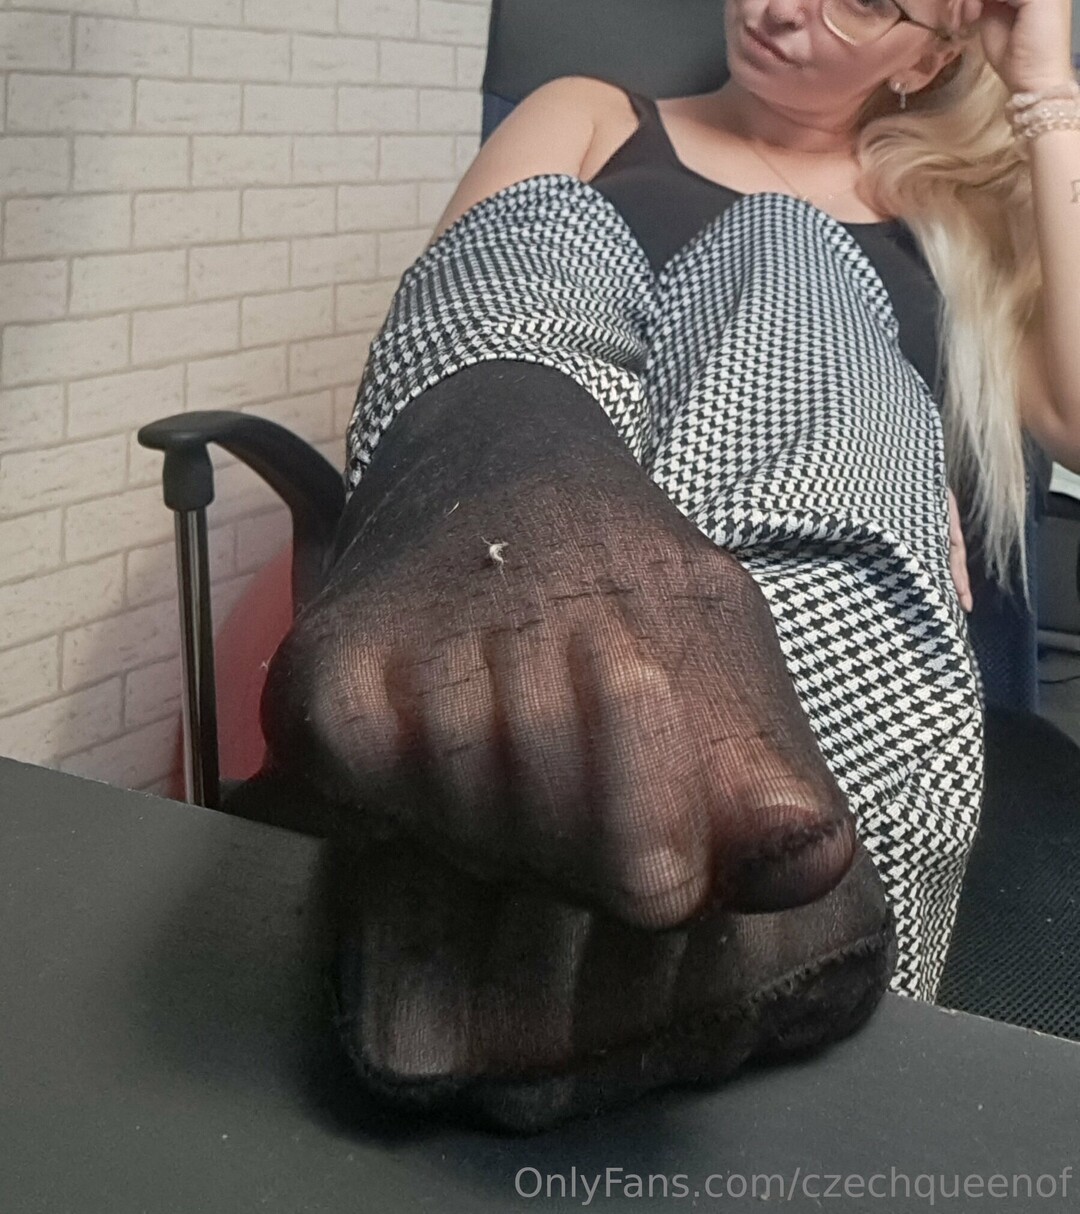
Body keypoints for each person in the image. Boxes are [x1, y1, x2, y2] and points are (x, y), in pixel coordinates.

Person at [253, 0, 1080, 1130]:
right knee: (542, 230)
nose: (781, 7)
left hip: (807, 655)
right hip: (560, 535)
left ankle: (637, 840)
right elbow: (443, 312)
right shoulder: (592, 114)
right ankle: (696, 861)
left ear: (930, 53)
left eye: (858, 1)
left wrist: (1047, 94)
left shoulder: (944, 217)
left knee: (789, 248)